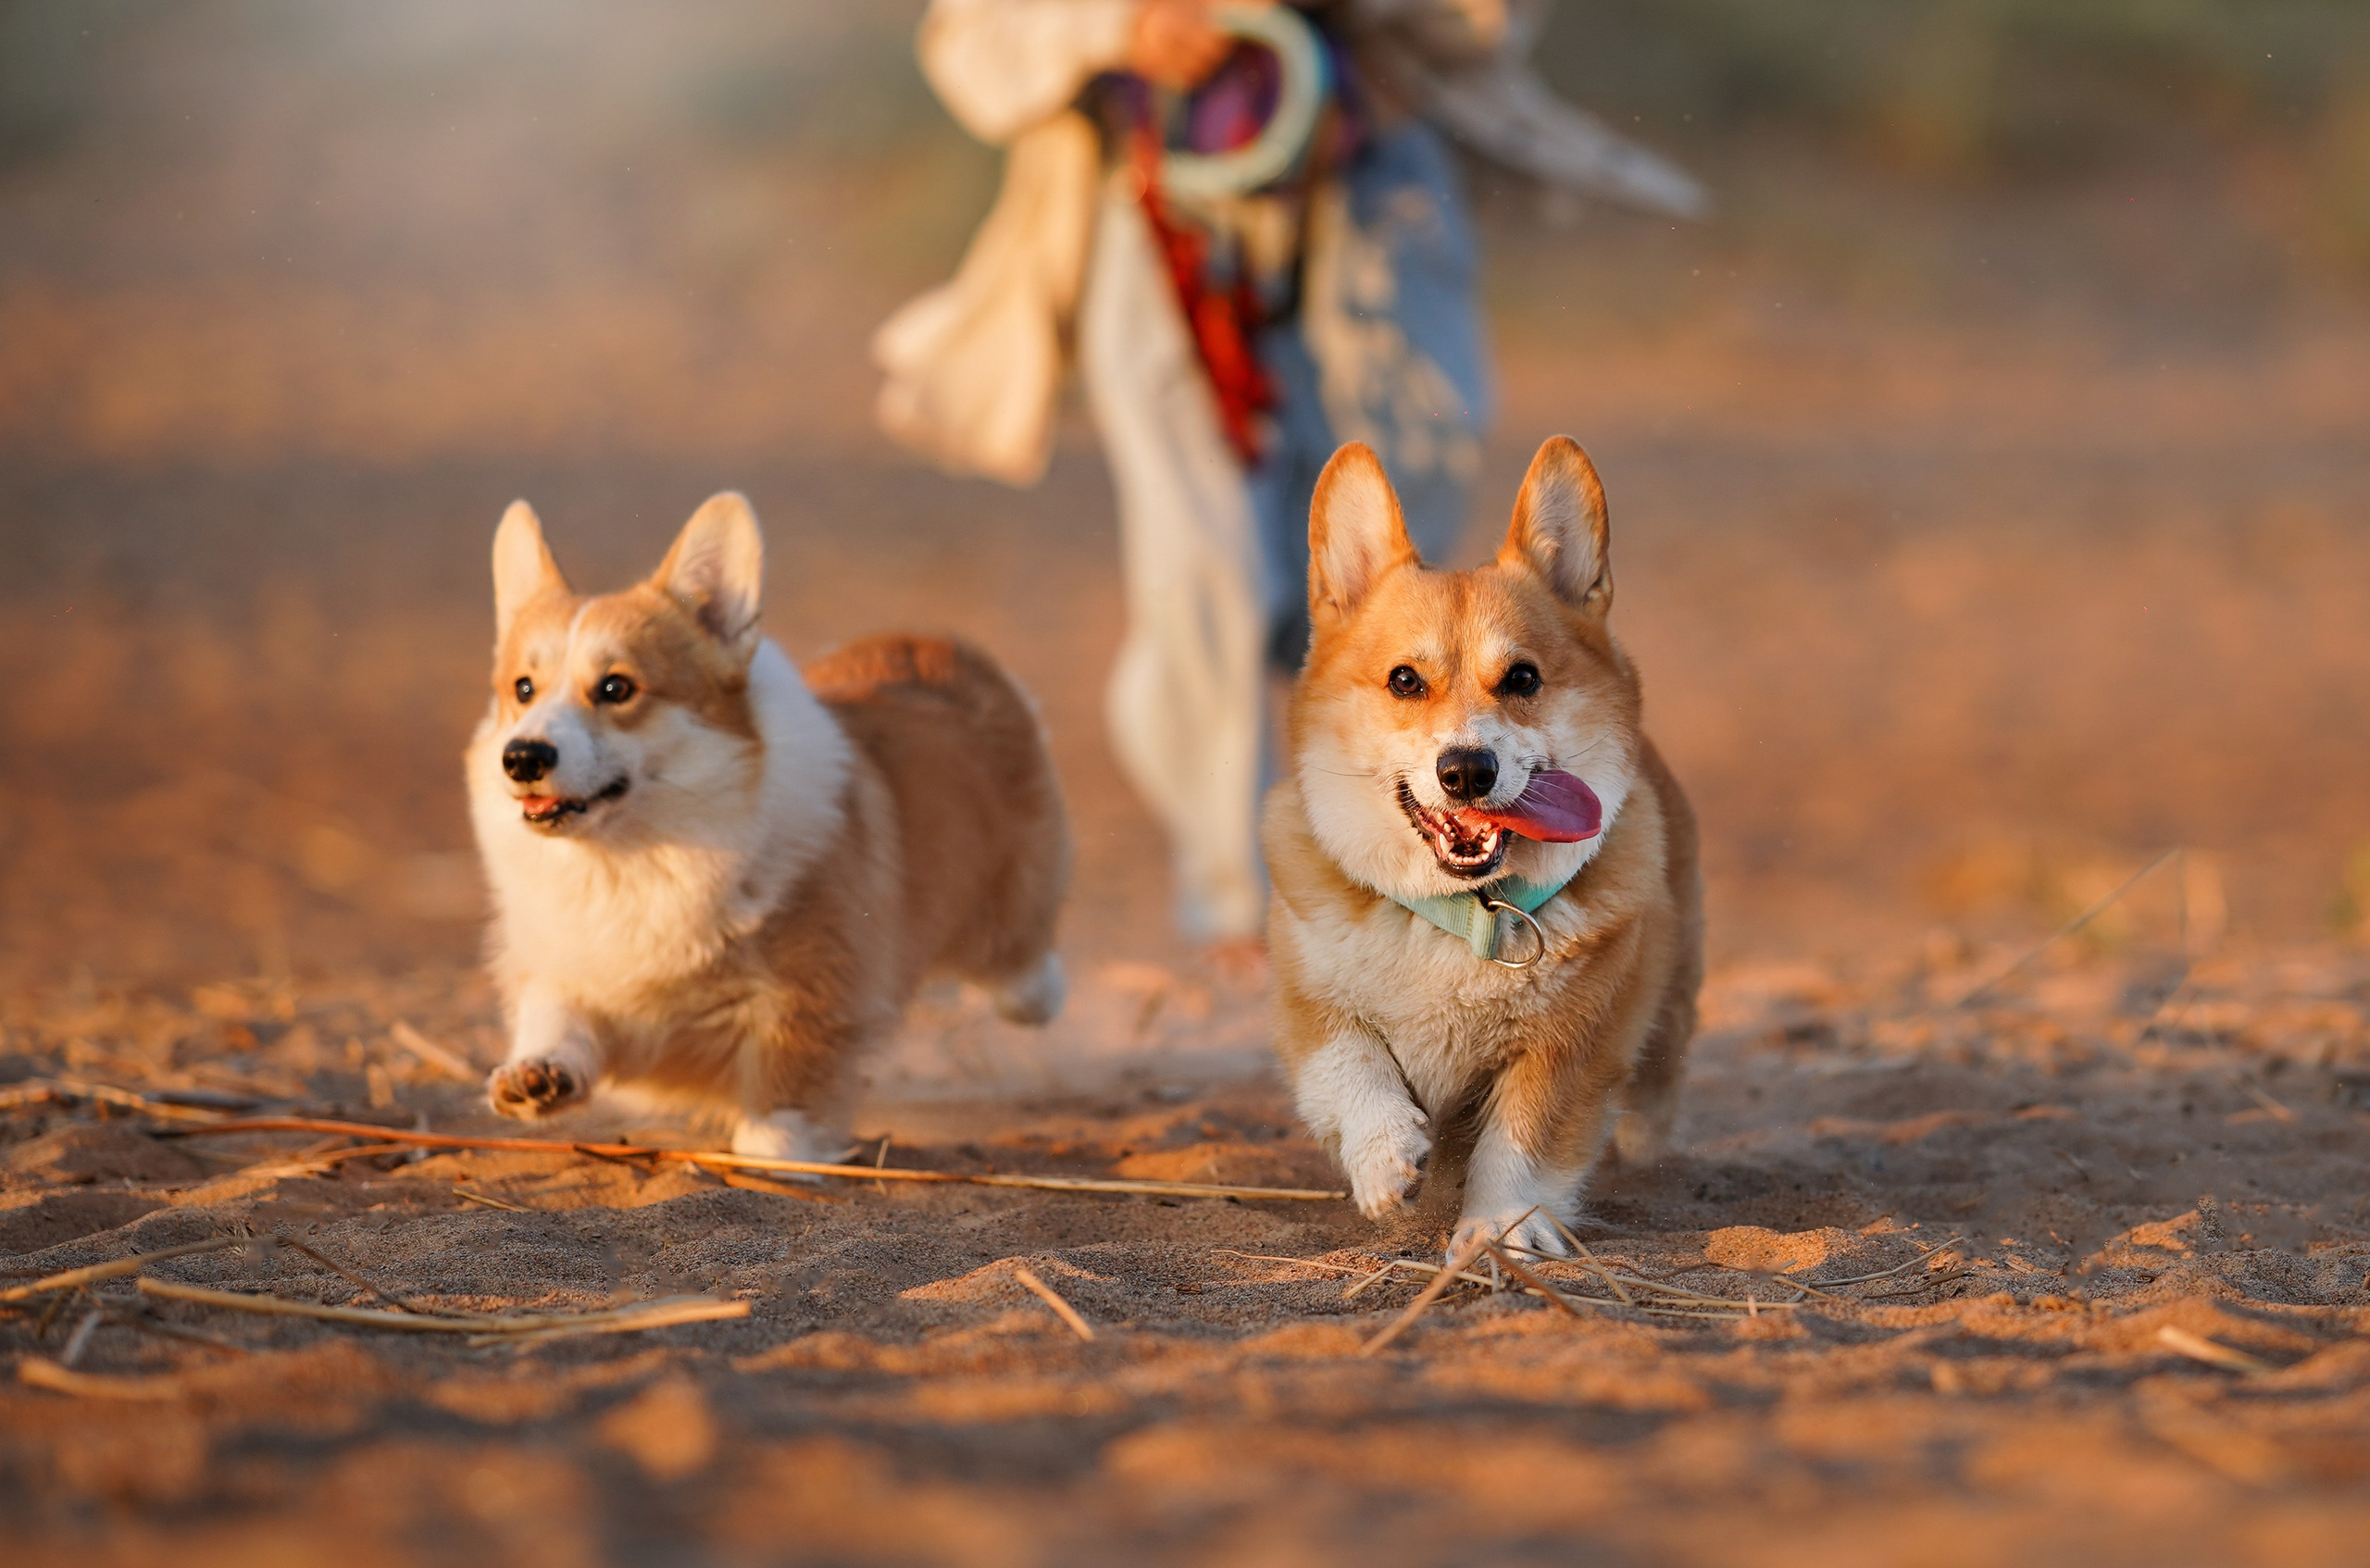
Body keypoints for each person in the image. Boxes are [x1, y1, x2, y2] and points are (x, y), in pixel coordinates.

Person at [875, 0, 1701, 947]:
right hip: (1146, 190)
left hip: (1373, 172)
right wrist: (1122, 30)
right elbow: (968, 45)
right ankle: (1235, 906)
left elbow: (1492, 18)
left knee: (1410, 495)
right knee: (1206, 574)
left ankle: (1322, 738)